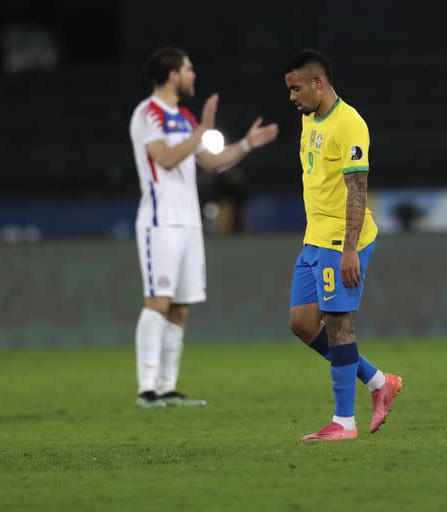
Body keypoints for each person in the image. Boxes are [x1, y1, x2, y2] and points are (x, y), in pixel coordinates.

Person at [129, 47, 278, 408]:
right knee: (158, 301)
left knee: (180, 307)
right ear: (173, 75)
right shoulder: (148, 114)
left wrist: (245, 144)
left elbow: (210, 162)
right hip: (160, 220)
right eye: (189, 68)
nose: (194, 75)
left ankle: (167, 387)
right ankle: (146, 388)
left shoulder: (182, 116)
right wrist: (201, 132)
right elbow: (164, 159)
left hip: (189, 222)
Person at [284, 49, 403, 441]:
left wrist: (350, 248)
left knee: (338, 324)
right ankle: (378, 382)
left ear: (319, 82)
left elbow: (358, 189)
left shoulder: (350, 123)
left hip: (342, 237)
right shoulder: (309, 120)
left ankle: (344, 423)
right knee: (302, 323)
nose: (292, 96)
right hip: (314, 237)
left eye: (296, 87)